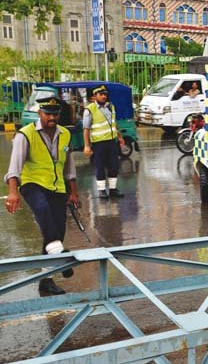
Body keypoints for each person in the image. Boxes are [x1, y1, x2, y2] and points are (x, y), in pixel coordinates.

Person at [5, 97, 81, 296]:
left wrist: (73, 192)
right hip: (32, 184)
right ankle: (60, 256)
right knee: (43, 212)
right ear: (40, 113)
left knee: (55, 232)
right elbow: (14, 168)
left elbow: (68, 166)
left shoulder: (65, 134)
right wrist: (13, 192)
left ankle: (46, 280)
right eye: (48, 113)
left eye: (55, 113)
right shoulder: (26, 134)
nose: (52, 117)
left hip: (57, 187)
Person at [83, 85, 126, 199]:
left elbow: (113, 122)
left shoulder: (110, 106)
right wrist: (87, 146)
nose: (104, 96)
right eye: (101, 94)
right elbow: (86, 129)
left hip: (112, 141)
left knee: (114, 166)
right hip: (98, 143)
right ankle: (102, 190)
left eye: (105, 94)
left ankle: (113, 189)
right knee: (100, 166)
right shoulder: (89, 109)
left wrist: (120, 136)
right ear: (95, 96)